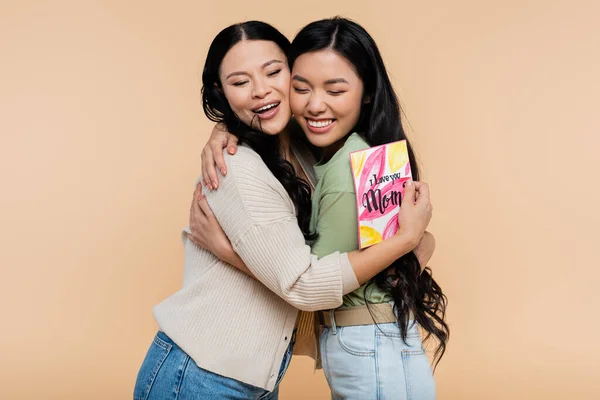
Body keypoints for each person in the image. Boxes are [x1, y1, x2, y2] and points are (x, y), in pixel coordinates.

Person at [134, 20, 432, 400]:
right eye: (239, 83)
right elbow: (302, 285)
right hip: (197, 376)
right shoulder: (236, 167)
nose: (261, 91)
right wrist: (408, 239)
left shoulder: (308, 150)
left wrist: (229, 251)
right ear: (221, 93)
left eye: (274, 72)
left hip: (249, 378)